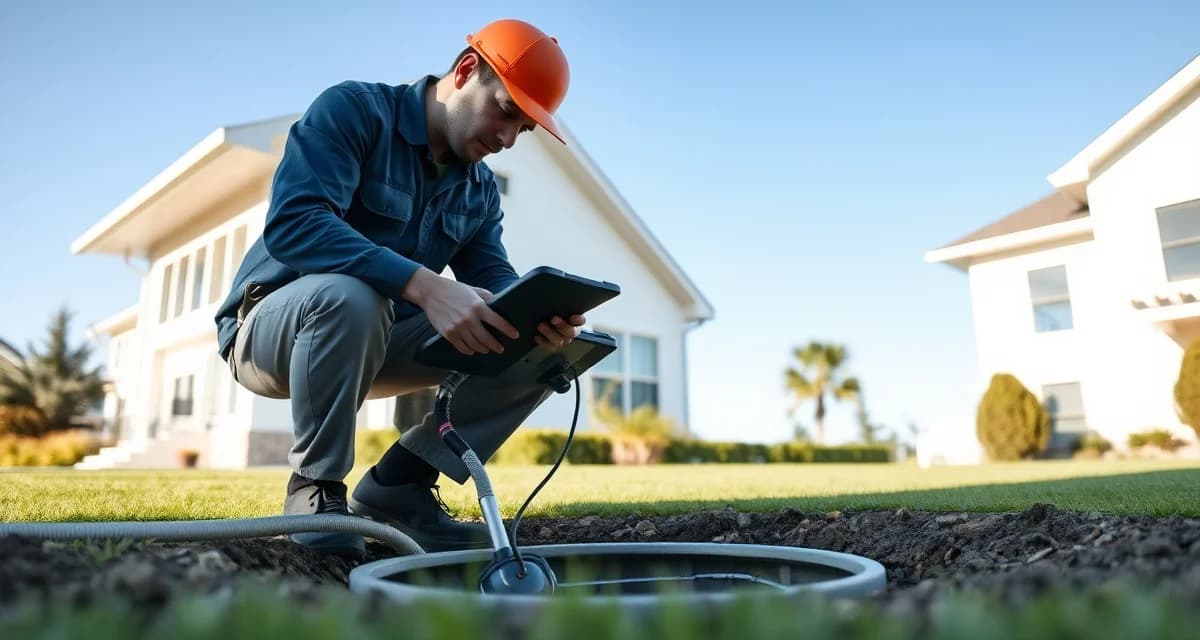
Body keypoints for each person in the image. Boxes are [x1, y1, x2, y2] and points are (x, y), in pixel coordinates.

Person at [213, 18, 585, 560]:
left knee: (529, 346)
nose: (507, 140)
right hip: (271, 332)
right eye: (506, 111)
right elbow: (296, 224)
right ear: (466, 71)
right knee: (352, 295)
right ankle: (315, 490)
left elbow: (493, 278)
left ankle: (400, 486)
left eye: (523, 130)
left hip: (378, 337)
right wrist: (425, 287)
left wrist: (536, 317)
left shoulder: (479, 190)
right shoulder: (354, 112)